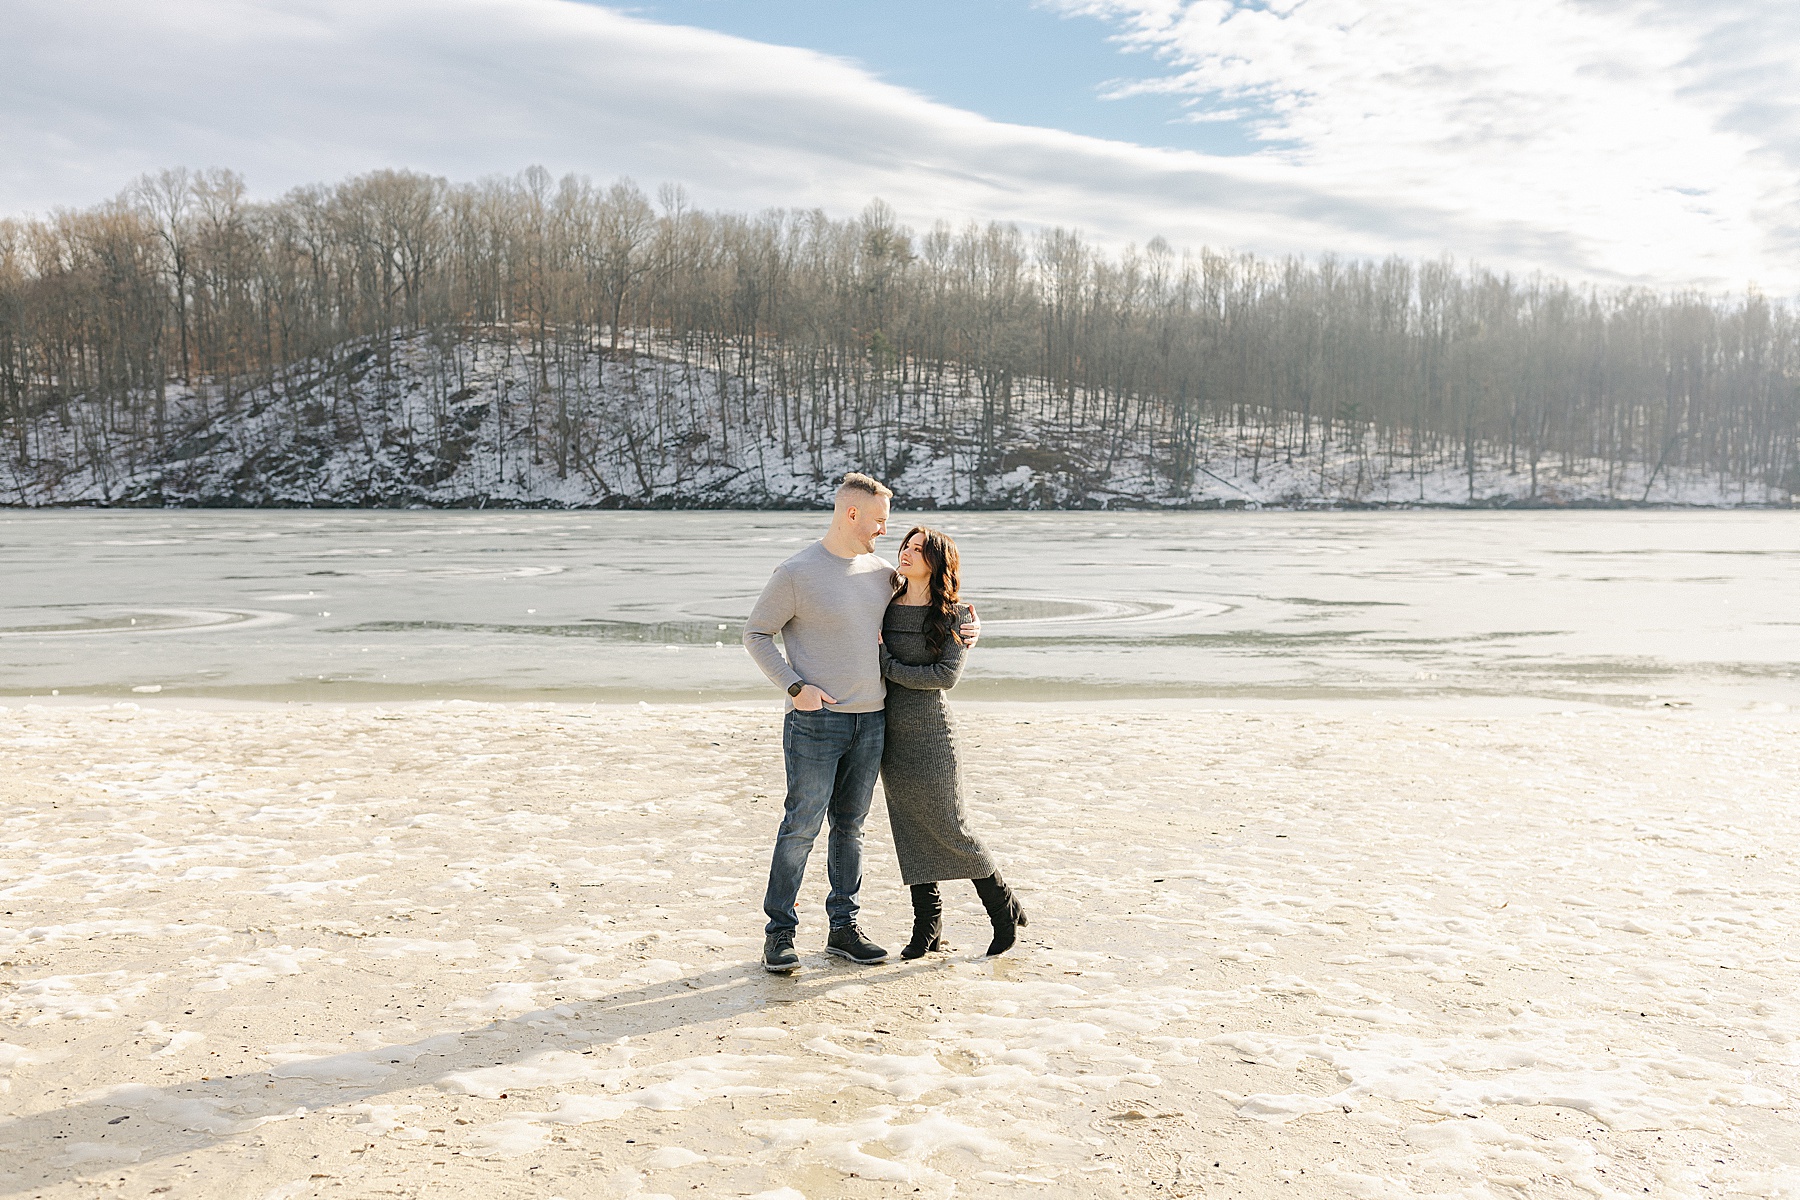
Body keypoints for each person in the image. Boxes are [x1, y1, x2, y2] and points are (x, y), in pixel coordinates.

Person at [743, 473, 978, 974]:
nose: (884, 531)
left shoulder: (883, 575)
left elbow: (930, 609)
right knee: (801, 827)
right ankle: (779, 935)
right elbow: (756, 634)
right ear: (852, 514)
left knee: (850, 829)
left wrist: (971, 628)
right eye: (879, 520)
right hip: (815, 721)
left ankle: (843, 930)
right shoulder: (795, 573)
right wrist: (794, 688)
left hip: (872, 721)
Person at [878, 526, 1027, 958]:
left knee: (951, 825)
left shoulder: (955, 616)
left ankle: (1002, 908)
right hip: (889, 735)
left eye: (919, 548)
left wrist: (885, 662)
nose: (907, 552)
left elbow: (944, 678)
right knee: (909, 826)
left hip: (931, 734)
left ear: (938, 561)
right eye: (906, 544)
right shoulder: (883, 606)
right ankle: (928, 926)